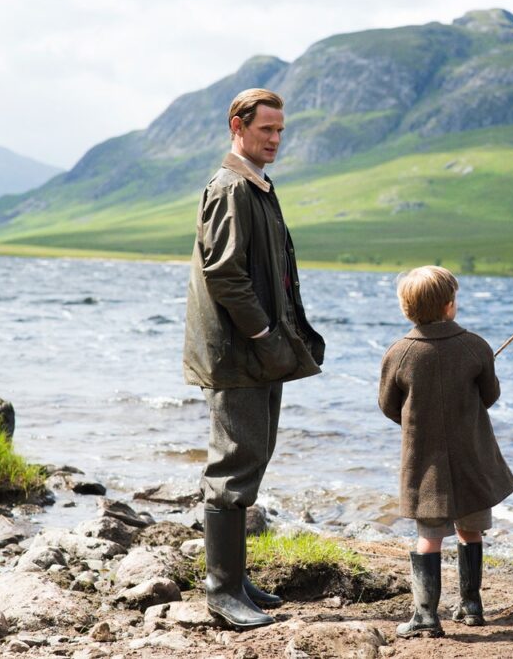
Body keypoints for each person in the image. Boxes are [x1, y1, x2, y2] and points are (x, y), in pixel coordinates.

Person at [183, 88, 325, 630]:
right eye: (267, 130)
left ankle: (236, 580)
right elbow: (224, 274)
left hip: (262, 351)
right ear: (237, 127)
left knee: (254, 455)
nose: (276, 140)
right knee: (234, 463)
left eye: (280, 131)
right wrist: (265, 332)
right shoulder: (228, 188)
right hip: (239, 352)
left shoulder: (259, 185)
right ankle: (221, 592)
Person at [378, 266, 513, 638]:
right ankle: (471, 606)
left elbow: (388, 405)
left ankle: (426, 615)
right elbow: (490, 396)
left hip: (426, 467)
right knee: (472, 531)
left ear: (406, 309)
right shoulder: (476, 346)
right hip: (472, 460)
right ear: (450, 305)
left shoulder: (399, 353)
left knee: (429, 538)